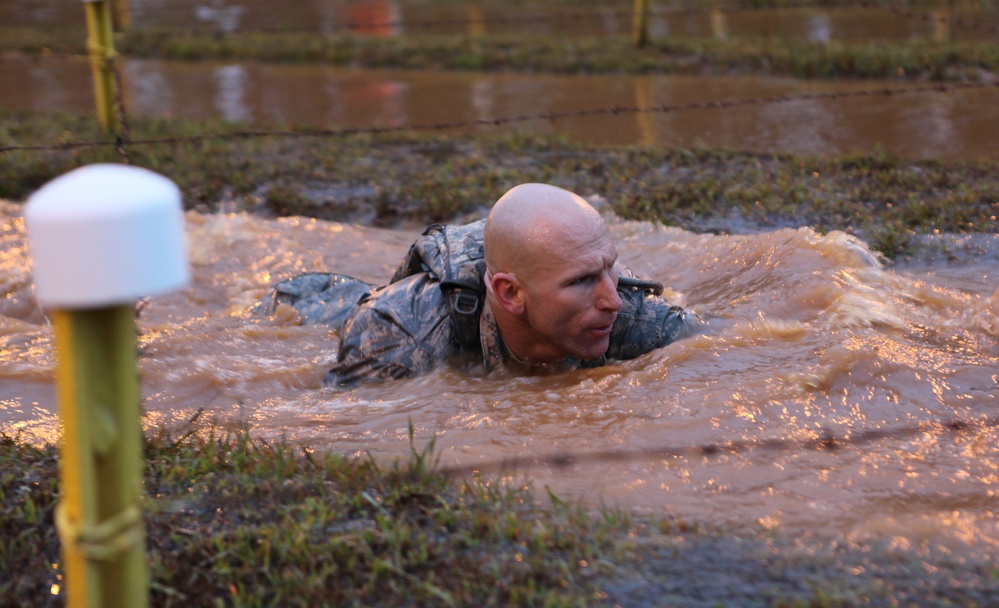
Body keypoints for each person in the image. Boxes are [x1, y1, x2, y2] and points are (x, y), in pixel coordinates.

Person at [263, 183, 701, 387]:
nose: (612, 300)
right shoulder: (401, 335)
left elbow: (744, 345)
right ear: (511, 294)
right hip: (319, 303)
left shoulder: (627, 311)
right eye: (583, 281)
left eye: (610, 269)